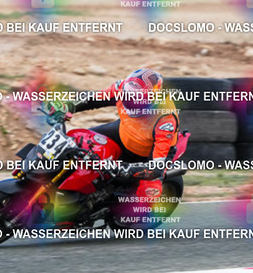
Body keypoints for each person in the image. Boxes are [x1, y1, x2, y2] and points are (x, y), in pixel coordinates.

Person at [47, 69, 179, 198]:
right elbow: (95, 98)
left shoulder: (165, 120)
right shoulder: (122, 87)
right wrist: (67, 106)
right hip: (124, 131)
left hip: (149, 152)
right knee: (77, 141)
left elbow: (155, 168)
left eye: (137, 102)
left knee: (148, 194)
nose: (131, 105)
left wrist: (122, 168)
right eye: (128, 99)